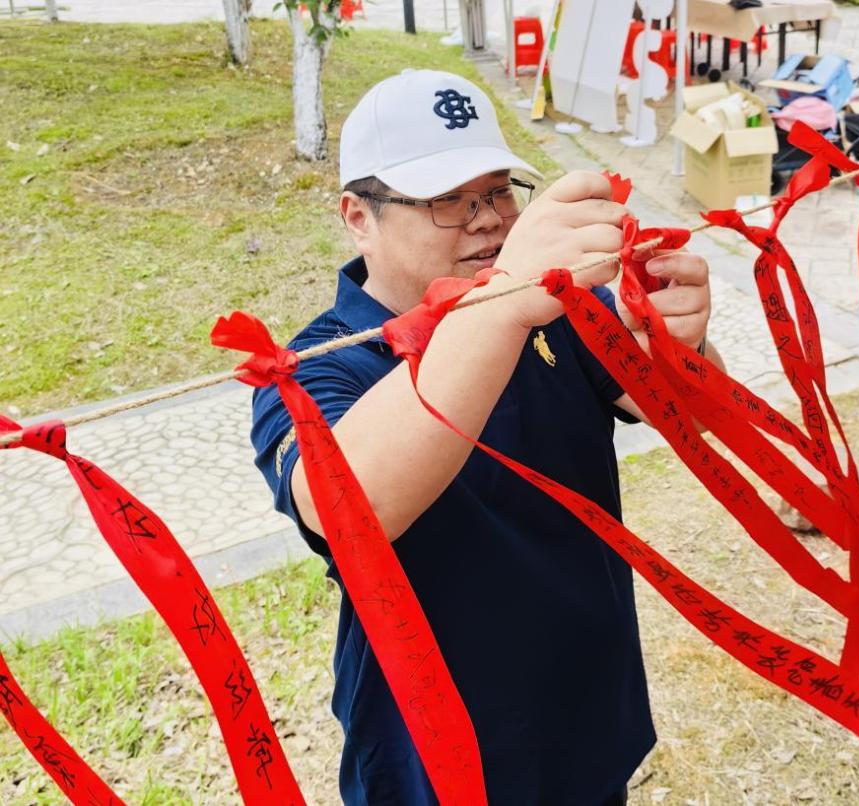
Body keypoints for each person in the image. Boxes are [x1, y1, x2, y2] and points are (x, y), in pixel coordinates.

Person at [250, 69, 723, 805]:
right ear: (358, 217)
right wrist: (498, 310)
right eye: (448, 199)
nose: (488, 220)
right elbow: (351, 507)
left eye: (499, 191)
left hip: (586, 710)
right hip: (436, 755)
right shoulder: (317, 366)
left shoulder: (553, 309)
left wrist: (684, 340)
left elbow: (686, 414)